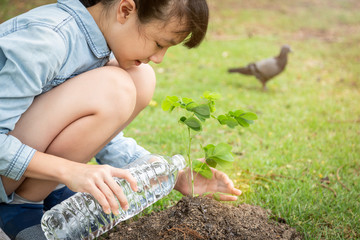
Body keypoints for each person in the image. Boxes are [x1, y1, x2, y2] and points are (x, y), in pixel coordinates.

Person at [0, 0, 242, 238]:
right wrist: (70, 171)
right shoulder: (48, 39)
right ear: (125, 10)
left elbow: (96, 135)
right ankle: (20, 206)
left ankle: (45, 192)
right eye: (159, 43)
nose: (160, 58)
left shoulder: (92, 40)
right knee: (117, 87)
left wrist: (172, 175)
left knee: (141, 78)